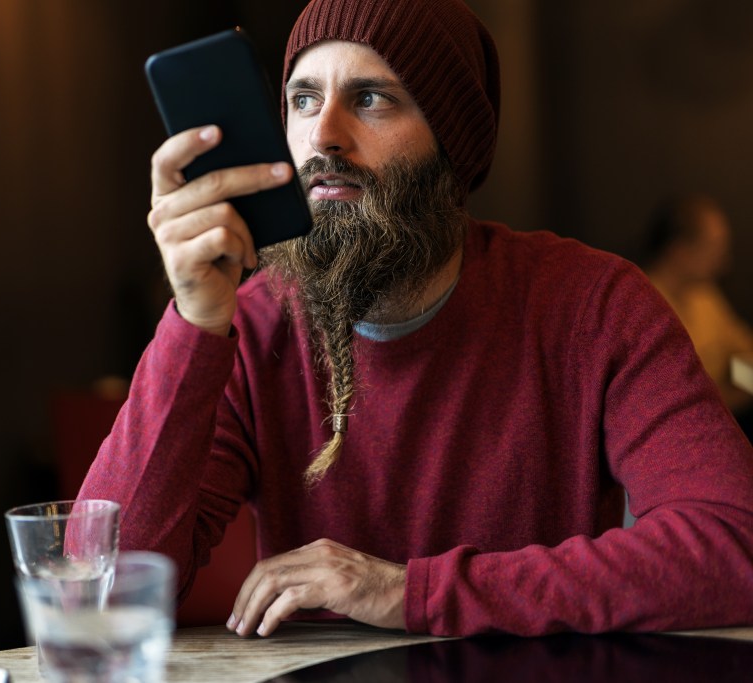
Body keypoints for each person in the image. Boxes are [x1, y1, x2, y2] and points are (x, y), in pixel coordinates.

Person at [80, 0, 753, 638]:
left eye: (371, 98)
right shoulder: (253, 328)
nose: (323, 136)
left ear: (451, 142)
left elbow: (733, 543)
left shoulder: (594, 305)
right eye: (303, 99)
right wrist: (194, 324)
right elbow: (94, 598)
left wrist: (411, 592)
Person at [642, 194, 753, 421]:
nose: (725, 261)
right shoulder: (643, 306)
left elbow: (740, 351)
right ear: (680, 251)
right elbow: (668, 400)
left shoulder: (704, 294)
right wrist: (734, 394)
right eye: (714, 248)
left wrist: (747, 382)